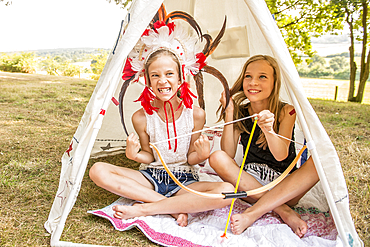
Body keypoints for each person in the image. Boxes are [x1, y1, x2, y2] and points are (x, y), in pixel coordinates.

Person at [89, 18, 235, 227]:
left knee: (227, 191)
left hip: (185, 180)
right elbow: (149, 156)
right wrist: (134, 155)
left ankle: (145, 208)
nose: (162, 81)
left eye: (169, 74)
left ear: (180, 78)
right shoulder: (140, 117)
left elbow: (191, 158)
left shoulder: (196, 115)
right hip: (150, 178)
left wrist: (201, 155)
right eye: (155, 75)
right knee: (98, 170)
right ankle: (171, 206)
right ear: (147, 81)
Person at [208, 55, 319, 237]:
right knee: (216, 157)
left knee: (320, 162)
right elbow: (227, 153)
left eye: (262, 77)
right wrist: (230, 112)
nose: (253, 83)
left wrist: (268, 130)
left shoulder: (286, 111)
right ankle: (283, 211)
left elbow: (281, 155)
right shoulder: (241, 111)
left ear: (274, 83)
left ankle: (252, 213)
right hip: (251, 185)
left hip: (284, 187)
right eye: (248, 76)